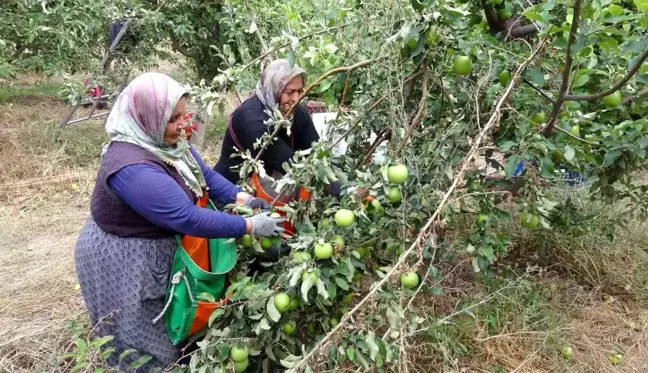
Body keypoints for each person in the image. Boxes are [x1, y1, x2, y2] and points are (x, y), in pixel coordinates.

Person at [74, 72, 284, 370]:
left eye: (183, 115)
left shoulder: (167, 143)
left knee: (173, 315)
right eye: (173, 119)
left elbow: (205, 176)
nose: (183, 125)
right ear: (149, 117)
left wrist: (244, 200)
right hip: (124, 257)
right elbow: (186, 218)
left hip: (156, 245)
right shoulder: (130, 166)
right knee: (139, 330)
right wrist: (249, 226)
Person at [213, 59, 321, 184]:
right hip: (232, 191)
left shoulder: (297, 113)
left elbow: (316, 152)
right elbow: (289, 165)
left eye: (300, 91)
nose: (296, 99)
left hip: (270, 188)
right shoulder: (251, 121)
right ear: (274, 89)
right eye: (290, 92)